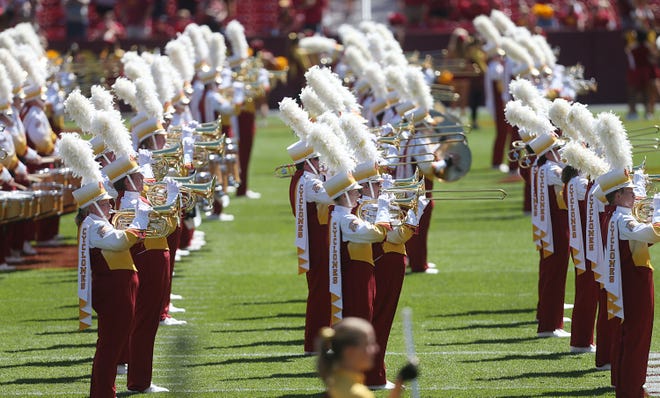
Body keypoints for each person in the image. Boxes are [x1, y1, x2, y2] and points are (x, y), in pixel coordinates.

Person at [600, 168, 660, 397]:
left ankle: (630, 386)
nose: (634, 195)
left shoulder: (616, 214)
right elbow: (653, 234)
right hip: (634, 283)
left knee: (631, 336)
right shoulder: (623, 219)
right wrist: (659, 209)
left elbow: (641, 243)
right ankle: (632, 390)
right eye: (629, 191)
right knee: (637, 336)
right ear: (617, 196)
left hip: (631, 280)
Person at [316, 317, 417, 398]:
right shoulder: (357, 394)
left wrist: (400, 381)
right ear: (350, 352)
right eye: (369, 344)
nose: (376, 349)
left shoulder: (337, 381)